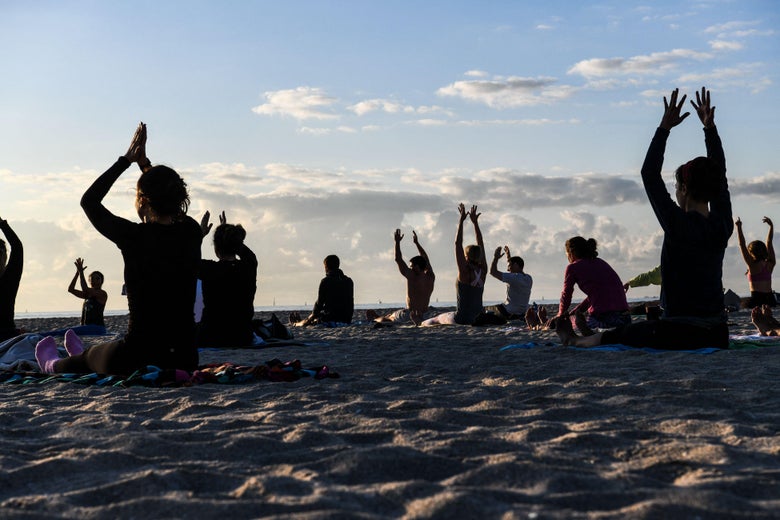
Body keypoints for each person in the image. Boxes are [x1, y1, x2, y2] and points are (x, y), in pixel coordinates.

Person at [557, 87, 732, 350]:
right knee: (637, 329)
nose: (675, 192)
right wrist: (710, 130)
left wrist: (664, 128)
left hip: (680, 330)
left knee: (626, 332)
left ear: (684, 189)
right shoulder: (722, 224)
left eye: (676, 187)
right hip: (718, 333)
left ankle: (576, 340)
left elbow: (649, 174)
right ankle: (583, 336)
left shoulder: (678, 224)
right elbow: (721, 176)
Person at [36, 123, 203, 374]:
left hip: (137, 356)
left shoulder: (133, 236)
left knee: (93, 356)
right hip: (185, 357)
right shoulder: (191, 231)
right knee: (98, 352)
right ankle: (78, 354)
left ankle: (52, 364)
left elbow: (89, 201)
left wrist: (126, 160)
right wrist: (145, 166)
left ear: (142, 200)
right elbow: (172, 204)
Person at [197, 210, 258, 347]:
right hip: (242, 336)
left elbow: (189, 259)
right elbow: (247, 254)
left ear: (216, 249)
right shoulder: (249, 266)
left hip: (212, 336)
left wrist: (200, 236)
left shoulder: (209, 269)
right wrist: (228, 235)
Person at [422, 203, 487, 326]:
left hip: (462, 319)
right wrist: (475, 223)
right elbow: (481, 243)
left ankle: (420, 323)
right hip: (479, 317)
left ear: (466, 256)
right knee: (446, 314)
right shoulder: (483, 270)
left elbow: (458, 243)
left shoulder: (464, 271)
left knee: (438, 318)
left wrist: (461, 221)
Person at [556, 236, 630, 331]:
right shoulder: (601, 262)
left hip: (605, 318)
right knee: (577, 318)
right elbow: (599, 293)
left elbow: (566, 295)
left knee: (574, 325)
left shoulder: (572, 268)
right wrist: (576, 311)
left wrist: (560, 315)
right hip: (625, 317)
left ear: (571, 253)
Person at [366, 229, 435, 326]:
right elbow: (425, 258)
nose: (410, 268)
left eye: (411, 266)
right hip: (425, 315)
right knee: (393, 315)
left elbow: (398, 259)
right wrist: (417, 243)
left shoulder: (412, 276)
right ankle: (383, 316)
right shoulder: (430, 276)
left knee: (390, 317)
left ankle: (375, 318)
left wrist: (397, 242)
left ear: (416, 267)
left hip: (410, 314)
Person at [289, 255, 354, 326]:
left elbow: (319, 303)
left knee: (310, 321)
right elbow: (350, 302)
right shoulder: (349, 281)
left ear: (326, 267)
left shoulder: (326, 281)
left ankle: (296, 323)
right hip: (346, 318)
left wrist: (311, 317)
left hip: (331, 318)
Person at [735, 216, 775, 308]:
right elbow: (769, 242)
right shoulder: (771, 263)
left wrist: (739, 227)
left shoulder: (752, 265)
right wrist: (771, 226)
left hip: (757, 300)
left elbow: (742, 244)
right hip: (770, 299)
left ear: (751, 253)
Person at [487, 246, 532, 320]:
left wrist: (496, 258)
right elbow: (513, 272)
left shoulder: (514, 278)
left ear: (516, 265)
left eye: (509, 266)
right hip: (522, 311)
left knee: (489, 309)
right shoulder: (528, 278)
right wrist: (508, 255)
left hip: (509, 311)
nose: (508, 269)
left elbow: (493, 272)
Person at [0, 218, 23, 342]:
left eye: (1, 252)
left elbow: (17, 247)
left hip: (7, 335)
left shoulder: (10, 277)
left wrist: (2, 224)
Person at [67, 257, 107, 327]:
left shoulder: (102, 293)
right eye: (92, 278)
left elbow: (85, 289)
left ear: (102, 281)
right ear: (89, 281)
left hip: (97, 328)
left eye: (97, 278)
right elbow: (71, 289)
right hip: (85, 327)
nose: (94, 280)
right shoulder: (87, 295)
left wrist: (81, 272)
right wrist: (77, 273)